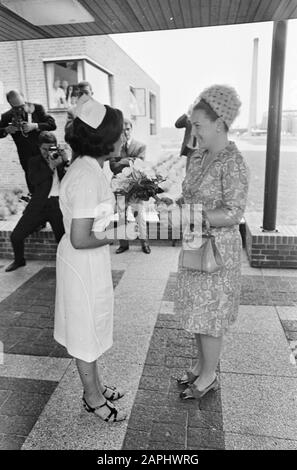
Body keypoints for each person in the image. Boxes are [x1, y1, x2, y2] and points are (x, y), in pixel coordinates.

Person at [173, 85, 249, 400]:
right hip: (196, 243)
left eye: (198, 125)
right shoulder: (199, 156)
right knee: (197, 311)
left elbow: (233, 212)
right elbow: (189, 194)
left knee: (211, 316)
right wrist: (175, 202)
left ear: (219, 124)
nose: (194, 131)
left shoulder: (233, 161)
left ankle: (209, 376)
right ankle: (201, 364)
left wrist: (194, 213)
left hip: (218, 252)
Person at [54, 97, 127, 423]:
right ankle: (92, 396)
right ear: (103, 140)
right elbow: (80, 237)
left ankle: (96, 384)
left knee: (92, 325)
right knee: (85, 332)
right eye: (121, 132)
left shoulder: (90, 168)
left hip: (88, 261)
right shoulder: (85, 176)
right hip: (82, 262)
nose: (125, 138)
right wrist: (121, 234)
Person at [5, 131, 67, 272]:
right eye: (44, 149)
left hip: (57, 205)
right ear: (39, 147)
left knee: (63, 240)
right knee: (16, 236)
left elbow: (70, 179)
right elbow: (34, 181)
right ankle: (19, 261)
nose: (47, 152)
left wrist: (65, 161)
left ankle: (66, 265)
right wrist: (50, 167)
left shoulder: (60, 159)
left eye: (51, 148)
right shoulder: (33, 161)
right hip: (39, 205)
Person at [0, 90, 57, 194]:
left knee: (51, 185)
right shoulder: (6, 116)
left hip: (44, 154)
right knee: (34, 188)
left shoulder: (37, 108)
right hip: (26, 158)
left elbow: (52, 124)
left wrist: (35, 126)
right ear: (10, 104)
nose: (20, 109)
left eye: (22, 105)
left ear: (23, 98)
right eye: (16, 108)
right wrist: (6, 130)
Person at [109, 118, 151, 254]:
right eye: (122, 130)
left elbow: (139, 165)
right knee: (121, 217)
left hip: (135, 187)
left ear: (131, 129)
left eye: (127, 129)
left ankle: (144, 243)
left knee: (139, 216)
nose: (125, 132)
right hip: (120, 187)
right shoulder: (114, 147)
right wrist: (130, 160)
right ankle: (123, 244)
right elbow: (113, 167)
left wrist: (122, 161)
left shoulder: (140, 146)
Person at [175, 106, 198, 170]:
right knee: (189, 171)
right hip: (190, 151)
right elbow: (177, 124)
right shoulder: (189, 120)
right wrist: (187, 113)